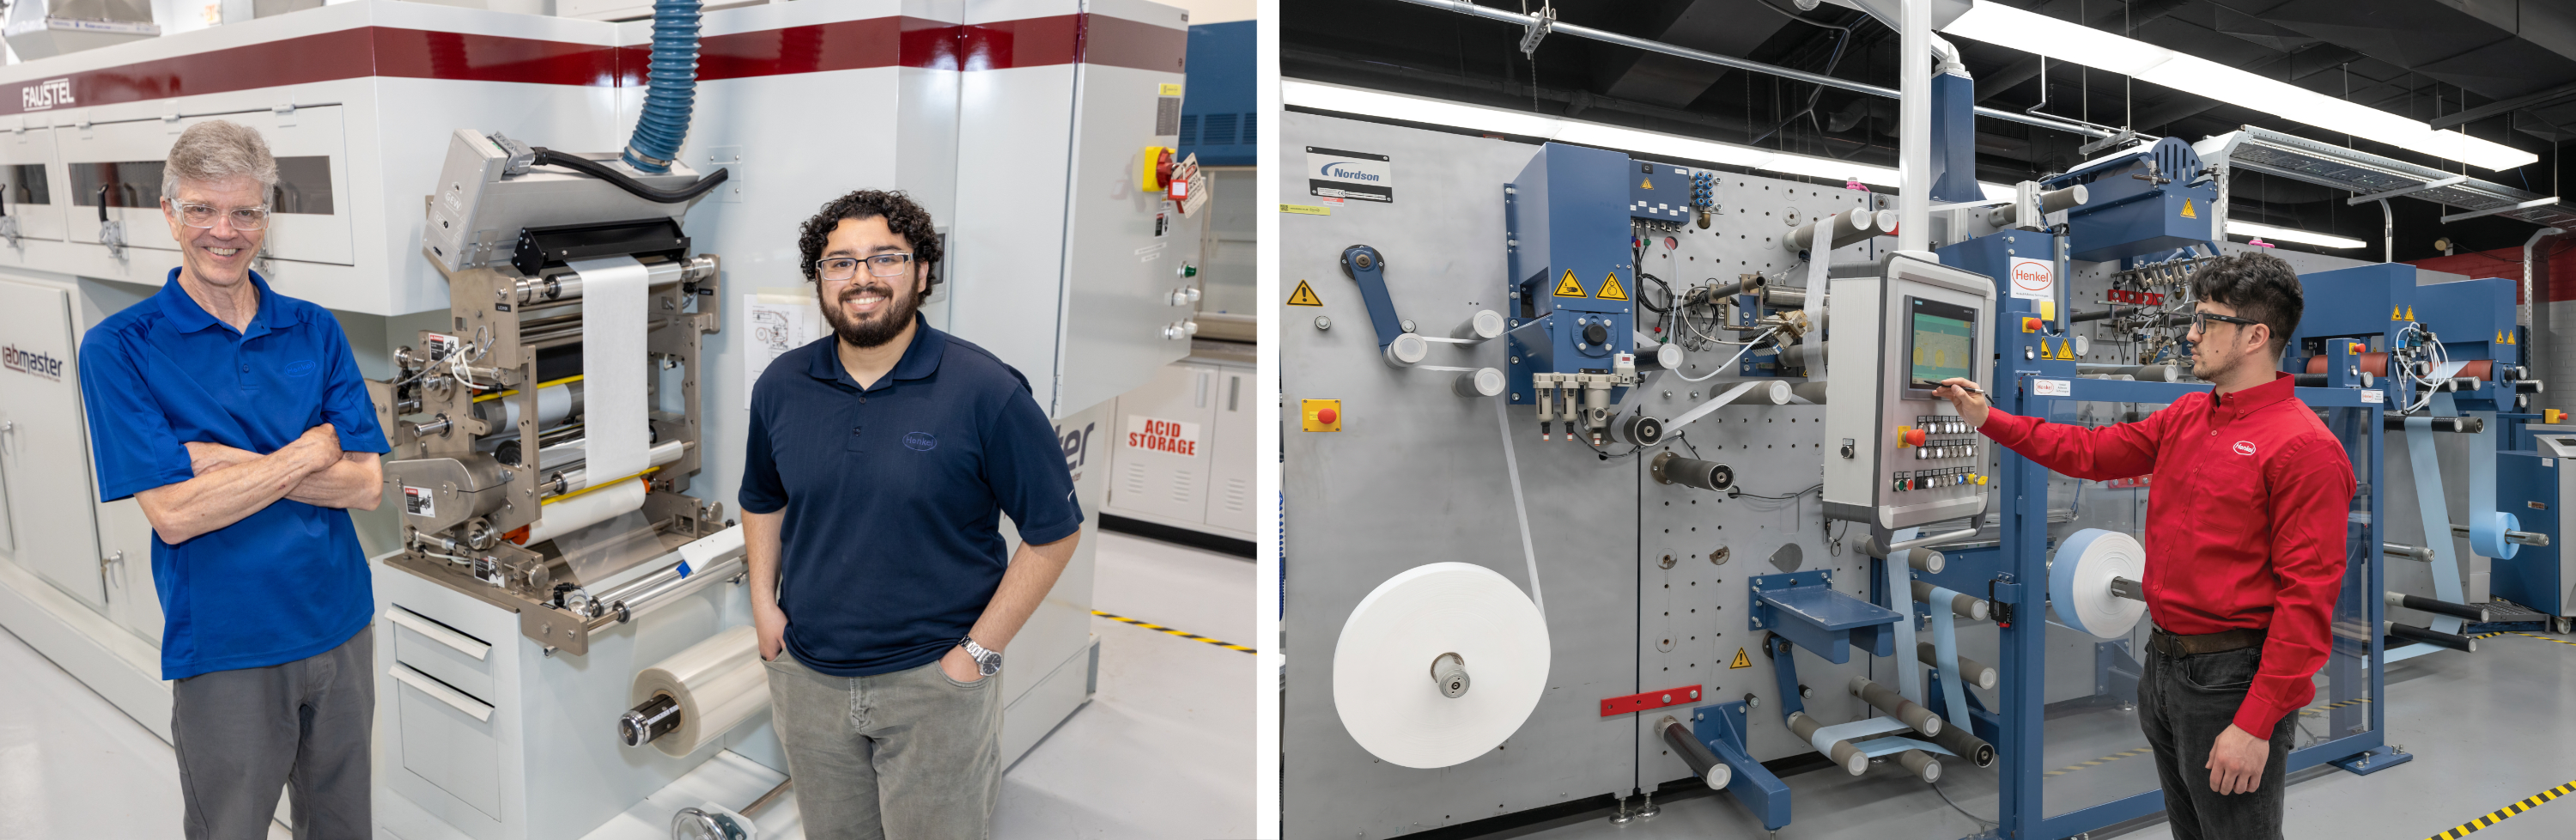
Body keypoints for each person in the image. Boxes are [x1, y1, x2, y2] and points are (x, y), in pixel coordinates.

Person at [1931, 252, 2353, 840]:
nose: (2192, 334)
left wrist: (2255, 725)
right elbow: (2089, 451)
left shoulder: (2304, 449)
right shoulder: (2186, 416)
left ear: (2256, 336)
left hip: (2232, 680)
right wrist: (1988, 419)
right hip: (2164, 665)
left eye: (2208, 321)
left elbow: (2307, 604)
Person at [77, 120, 390, 840]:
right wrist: (310, 452)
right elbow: (176, 516)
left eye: (245, 211)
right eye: (202, 210)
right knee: (231, 828)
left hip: (341, 625)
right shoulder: (120, 348)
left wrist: (221, 461)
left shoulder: (313, 327)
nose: (226, 231)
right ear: (168, 214)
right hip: (227, 645)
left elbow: (367, 485)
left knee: (344, 827)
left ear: (266, 217)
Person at [740, 189, 1084, 838]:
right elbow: (763, 497)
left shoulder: (986, 391)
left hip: (934, 683)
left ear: (923, 273)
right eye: (839, 262)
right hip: (808, 677)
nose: (861, 278)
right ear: (819, 279)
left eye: (885, 258)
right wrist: (764, 603)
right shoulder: (781, 386)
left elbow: (1054, 533)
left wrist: (975, 658)